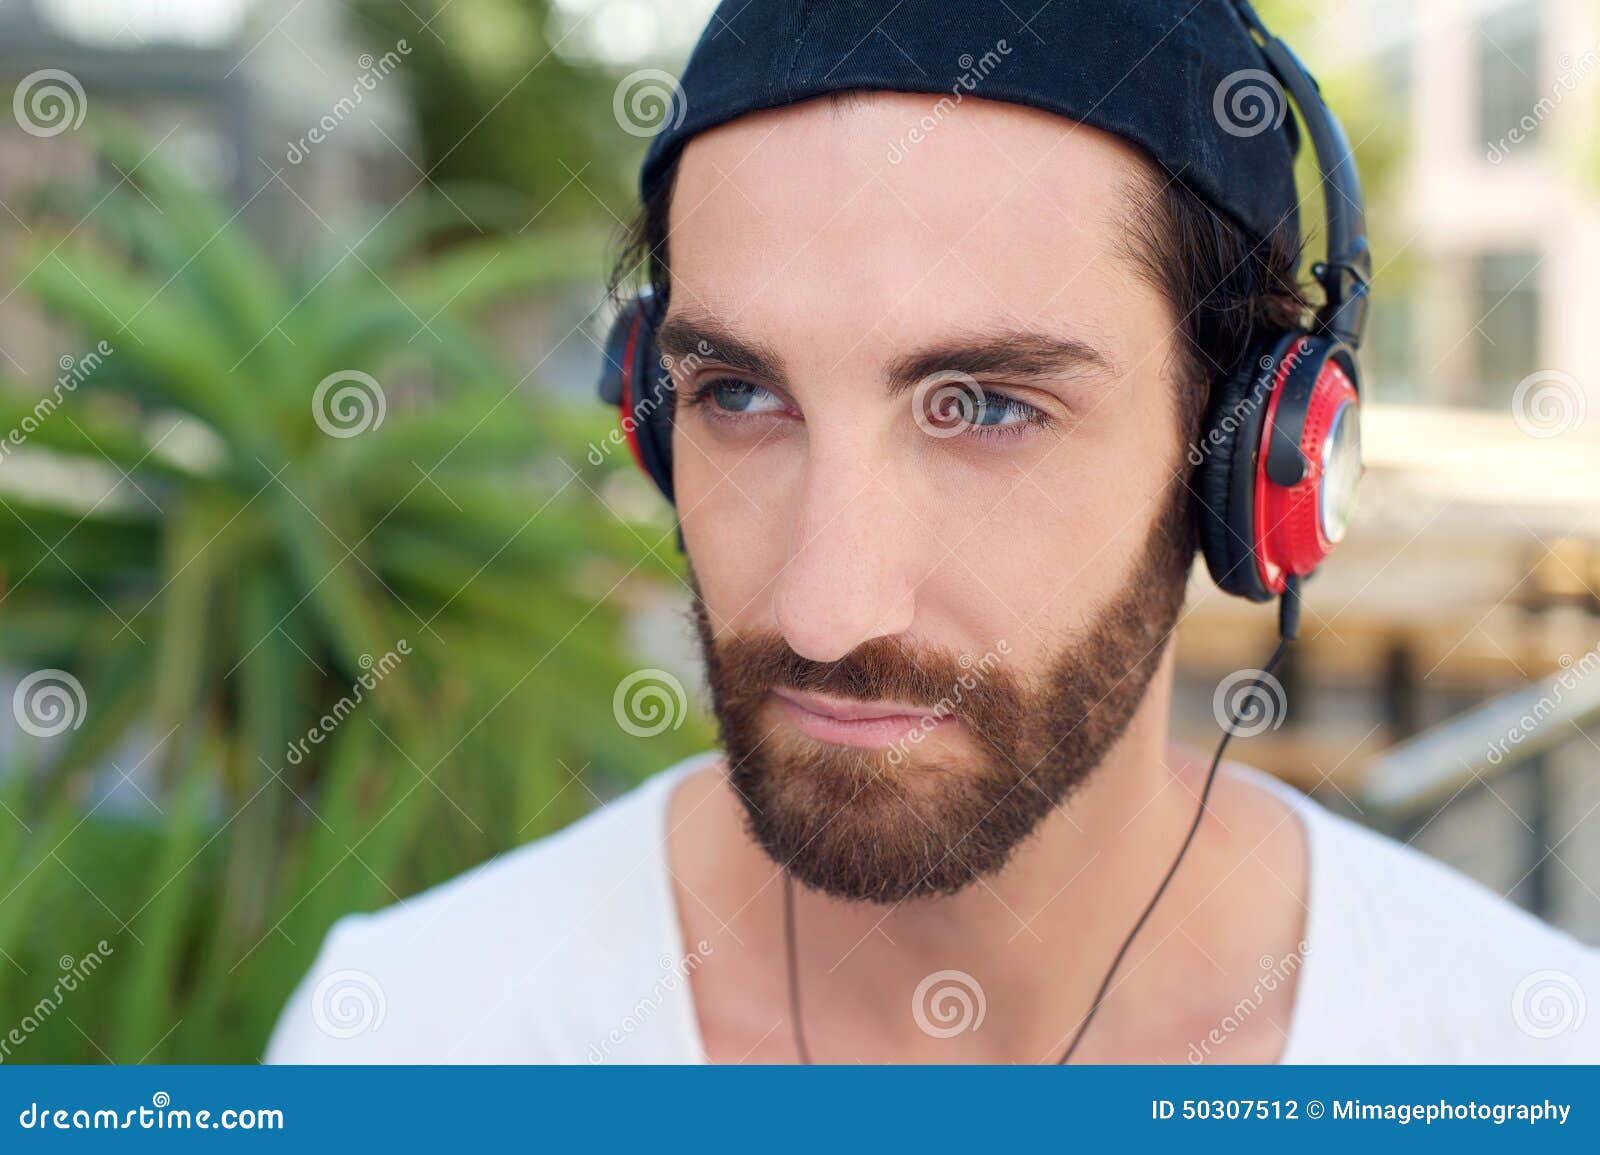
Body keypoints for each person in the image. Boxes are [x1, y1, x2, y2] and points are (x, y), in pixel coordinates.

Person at [267, 0, 1600, 1064]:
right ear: (652, 419)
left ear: (1254, 457)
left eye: (985, 408)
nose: (825, 610)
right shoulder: (414, 1043)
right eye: (739, 395)